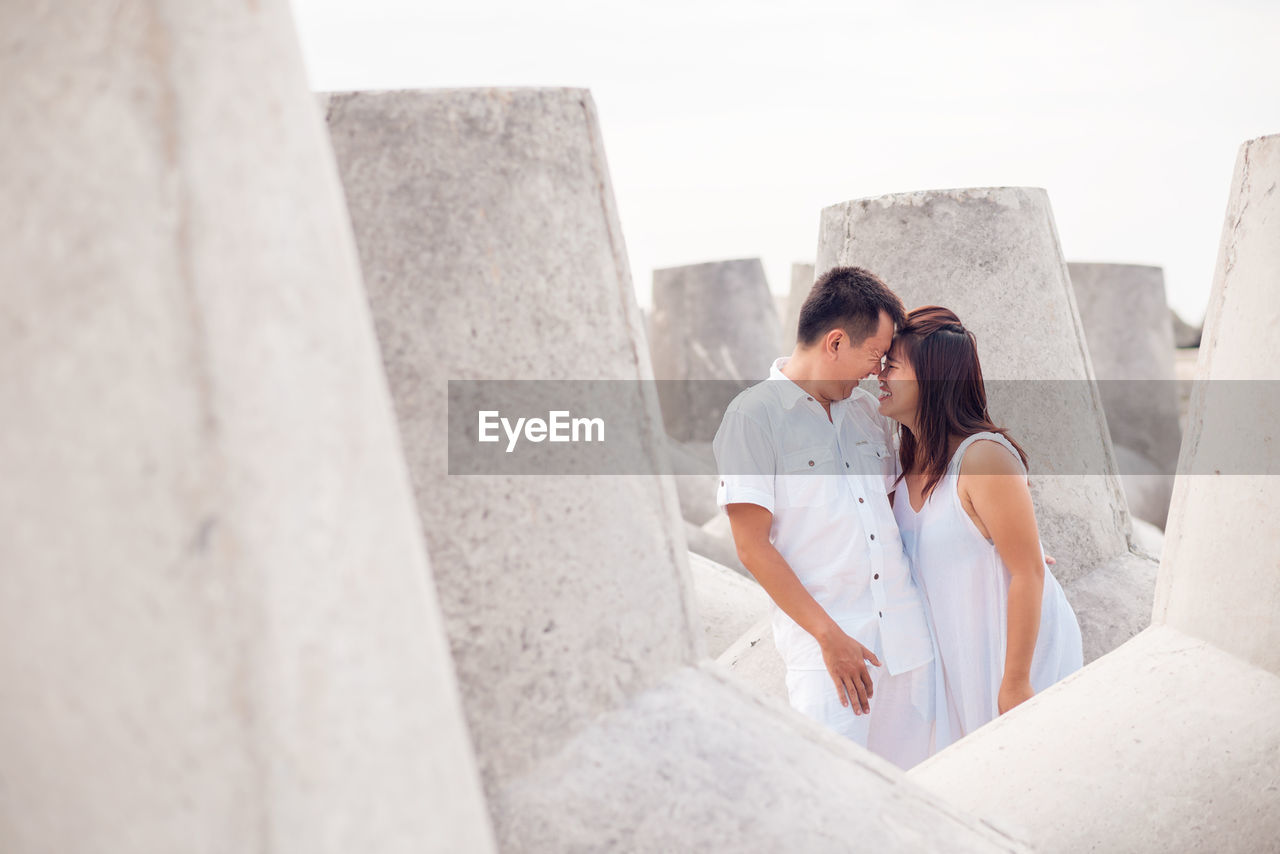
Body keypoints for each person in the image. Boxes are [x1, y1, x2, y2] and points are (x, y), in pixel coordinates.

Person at [713, 266, 936, 769]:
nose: (877, 371)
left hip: (910, 645)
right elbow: (751, 546)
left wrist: (988, 531)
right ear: (835, 342)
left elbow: (905, 507)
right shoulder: (752, 418)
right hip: (830, 662)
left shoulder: (867, 413)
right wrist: (828, 637)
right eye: (874, 355)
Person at [877, 305, 1082, 749]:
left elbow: (1029, 572)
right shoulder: (902, 464)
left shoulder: (983, 457)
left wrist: (1015, 682)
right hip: (957, 655)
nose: (880, 377)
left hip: (1011, 654)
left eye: (891, 366)